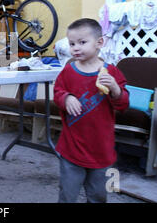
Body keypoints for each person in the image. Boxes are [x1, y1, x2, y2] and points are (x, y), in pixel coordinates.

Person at [53, 18, 129, 203]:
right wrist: (66, 98)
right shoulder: (68, 72)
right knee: (67, 195)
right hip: (72, 148)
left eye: (82, 42)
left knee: (97, 196)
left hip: (101, 149)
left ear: (99, 43)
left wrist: (115, 89)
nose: (75, 48)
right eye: (72, 44)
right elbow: (57, 92)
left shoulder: (111, 73)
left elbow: (123, 104)